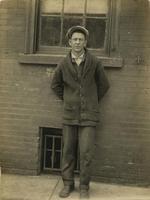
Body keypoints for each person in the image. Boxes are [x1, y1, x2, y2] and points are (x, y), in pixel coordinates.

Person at [51, 25, 109, 199]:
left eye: (81, 39)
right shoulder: (63, 63)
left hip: (89, 117)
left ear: (85, 42)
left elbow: (104, 85)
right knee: (68, 151)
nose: (77, 42)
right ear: (70, 42)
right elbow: (55, 85)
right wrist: (68, 99)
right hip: (69, 116)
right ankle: (68, 184)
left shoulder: (95, 62)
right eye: (75, 39)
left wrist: (91, 100)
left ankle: (84, 187)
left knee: (86, 153)